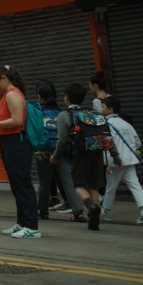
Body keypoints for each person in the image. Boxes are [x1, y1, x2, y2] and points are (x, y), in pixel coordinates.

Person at [0, 65, 40, 238]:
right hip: (9, 141)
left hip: (16, 142)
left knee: (22, 183)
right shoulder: (8, 94)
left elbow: (17, 120)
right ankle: (22, 223)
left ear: (4, 78)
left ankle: (32, 226)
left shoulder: (12, 94)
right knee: (16, 183)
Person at [52, 82, 107, 230]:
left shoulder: (64, 115)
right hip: (97, 152)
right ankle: (94, 218)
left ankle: (91, 206)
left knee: (78, 185)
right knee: (93, 186)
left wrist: (56, 156)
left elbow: (62, 140)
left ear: (67, 98)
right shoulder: (92, 113)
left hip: (79, 154)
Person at [100, 96, 143, 225]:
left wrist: (106, 163)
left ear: (110, 109)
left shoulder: (106, 124)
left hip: (115, 161)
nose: (101, 109)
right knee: (135, 185)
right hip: (130, 160)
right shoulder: (126, 124)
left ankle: (107, 211)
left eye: (103, 107)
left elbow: (107, 144)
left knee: (111, 187)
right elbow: (137, 143)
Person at [32, 81, 63, 221]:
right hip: (59, 150)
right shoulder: (60, 112)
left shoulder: (37, 112)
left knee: (44, 182)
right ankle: (77, 210)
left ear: (39, 97)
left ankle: (42, 211)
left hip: (42, 151)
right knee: (66, 180)